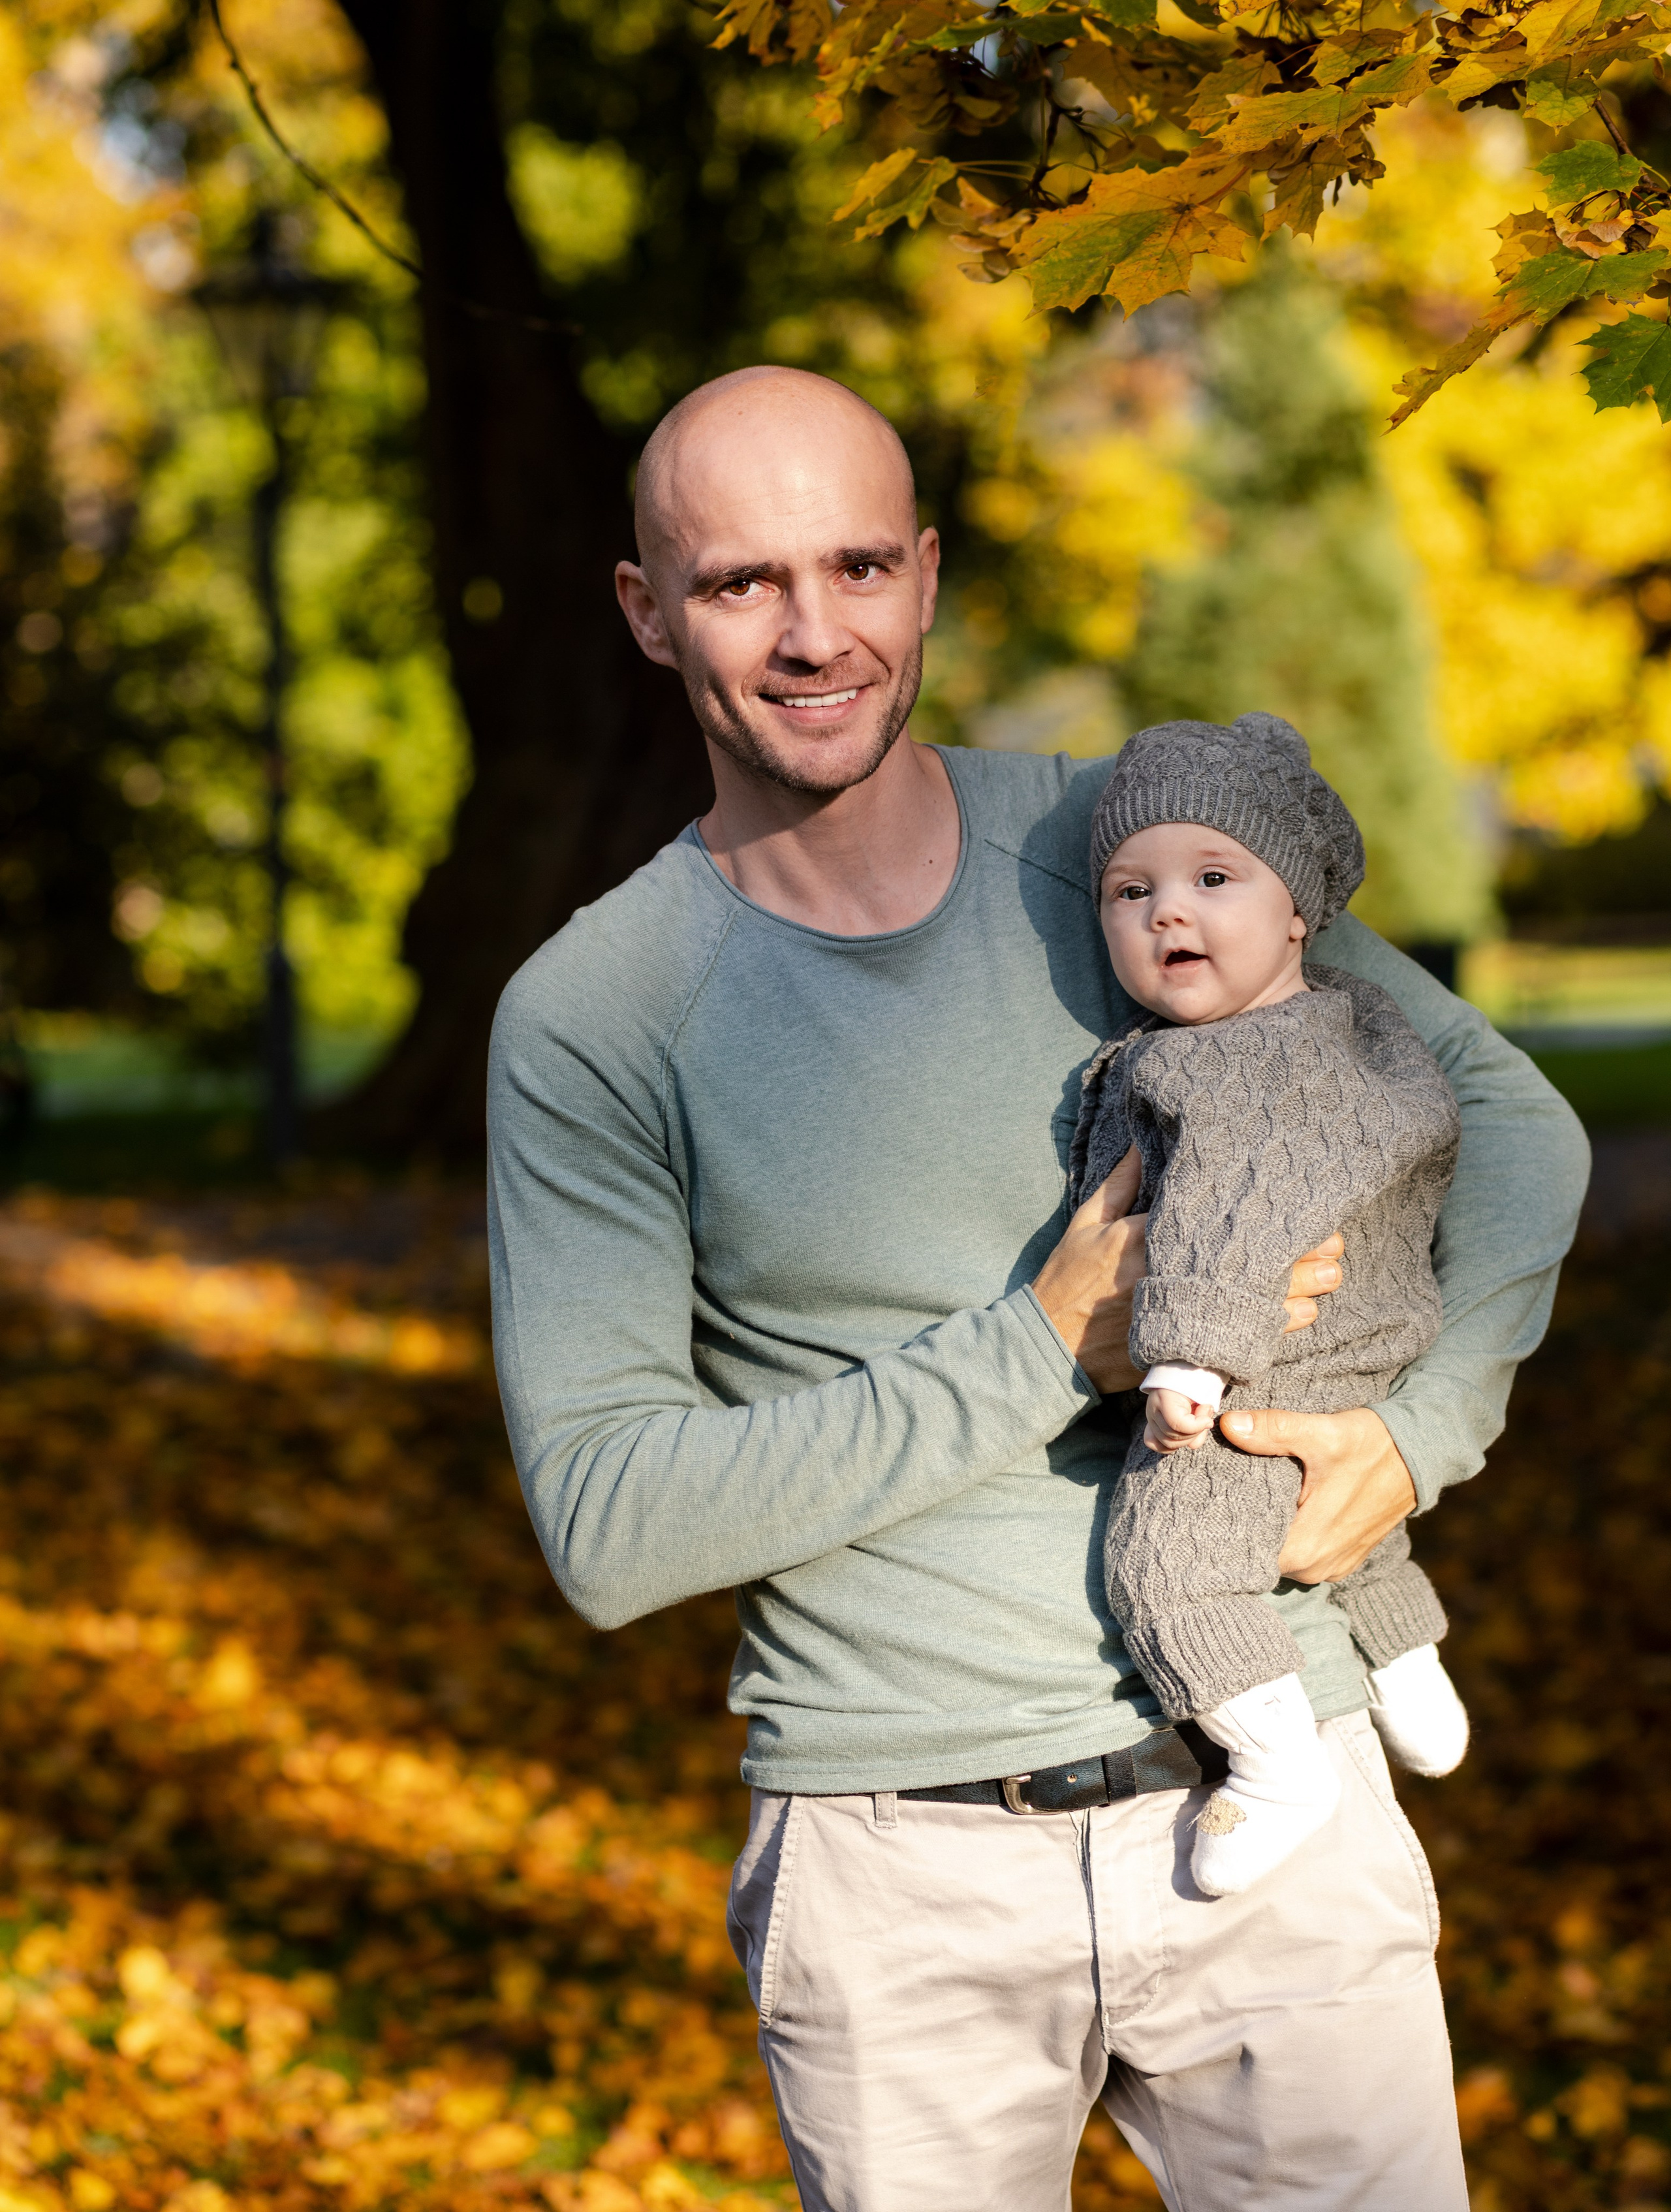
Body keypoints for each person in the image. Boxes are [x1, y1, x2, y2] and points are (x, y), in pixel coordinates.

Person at [486, 364, 1589, 2211]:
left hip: (1282, 1793)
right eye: (743, 582)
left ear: (925, 575)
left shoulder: (1133, 846)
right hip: (897, 1873)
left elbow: (1516, 1130)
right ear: (646, 610)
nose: (814, 631)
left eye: (855, 565)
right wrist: (1044, 1342)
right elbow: (607, 1523)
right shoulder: (597, 1016)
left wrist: (1423, 1428)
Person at [1072, 713, 1471, 1903]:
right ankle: (1412, 1670)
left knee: (1171, 1570)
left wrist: (1187, 1361)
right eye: (1127, 891)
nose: (1167, 914)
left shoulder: (1229, 1064)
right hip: (1363, 1365)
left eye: (1211, 878)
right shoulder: (1351, 1027)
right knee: (1356, 1536)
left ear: (1296, 908)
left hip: (1250, 1371)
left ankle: (1277, 1765)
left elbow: (1229, 1215)